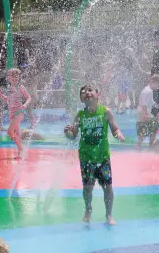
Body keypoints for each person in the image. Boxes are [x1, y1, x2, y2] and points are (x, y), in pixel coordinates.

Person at [63, 84, 125, 225]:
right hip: (86, 157)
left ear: (98, 94)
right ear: (81, 98)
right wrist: (68, 133)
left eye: (90, 90)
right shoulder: (80, 115)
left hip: (102, 157)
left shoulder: (106, 112)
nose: (87, 93)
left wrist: (118, 134)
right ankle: (88, 209)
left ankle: (109, 214)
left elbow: (115, 128)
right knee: (87, 187)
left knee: (107, 187)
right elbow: (73, 135)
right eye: (83, 92)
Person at [0, 68, 32, 158]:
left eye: (16, 77)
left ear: (19, 78)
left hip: (19, 112)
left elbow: (29, 98)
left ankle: (21, 148)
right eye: (13, 77)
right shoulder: (9, 88)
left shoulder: (21, 87)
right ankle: (20, 153)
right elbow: (8, 100)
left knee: (9, 131)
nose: (15, 78)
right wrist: (0, 94)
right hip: (11, 114)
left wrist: (25, 105)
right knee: (17, 134)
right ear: (8, 78)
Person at [135, 74, 159, 150]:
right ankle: (150, 146)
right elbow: (144, 104)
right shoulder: (149, 91)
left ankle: (138, 145)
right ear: (154, 82)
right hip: (143, 112)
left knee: (144, 129)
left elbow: (151, 101)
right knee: (153, 127)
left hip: (141, 111)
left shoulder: (147, 89)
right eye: (158, 85)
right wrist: (146, 114)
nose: (158, 87)